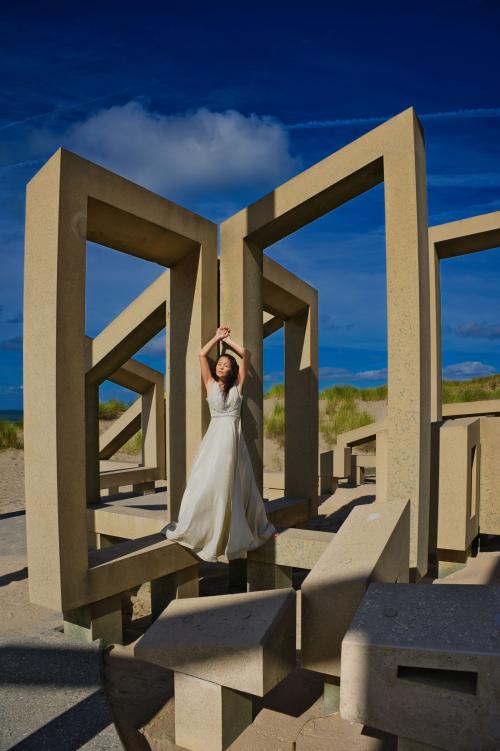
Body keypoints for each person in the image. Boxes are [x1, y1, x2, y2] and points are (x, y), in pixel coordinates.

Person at [161, 326, 275, 562]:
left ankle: (231, 531)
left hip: (233, 437)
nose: (221, 366)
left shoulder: (237, 386)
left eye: (226, 365)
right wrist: (216, 337)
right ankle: (204, 527)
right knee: (207, 480)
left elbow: (246, 354)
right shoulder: (210, 383)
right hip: (214, 438)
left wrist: (229, 341)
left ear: (233, 370)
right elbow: (202, 355)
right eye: (220, 364)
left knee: (234, 482)